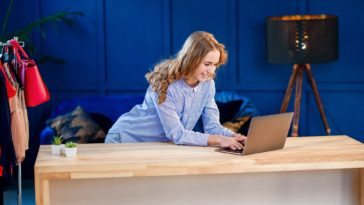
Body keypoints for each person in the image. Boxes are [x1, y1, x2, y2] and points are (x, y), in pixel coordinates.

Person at [105, 31, 246, 150]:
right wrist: (219, 140)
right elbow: (177, 134)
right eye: (207, 64)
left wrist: (233, 136)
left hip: (155, 147)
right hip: (125, 139)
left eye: (215, 64)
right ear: (191, 59)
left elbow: (212, 126)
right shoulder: (165, 83)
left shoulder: (208, 85)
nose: (211, 71)